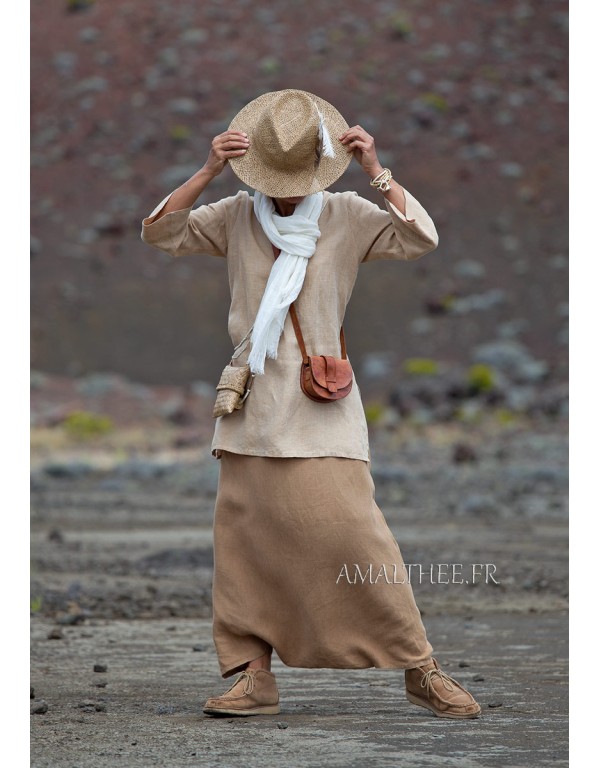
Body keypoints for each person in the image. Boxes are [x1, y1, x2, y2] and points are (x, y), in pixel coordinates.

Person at [141, 89, 481, 720]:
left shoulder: (348, 213)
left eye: (297, 179)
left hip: (322, 406)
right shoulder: (237, 214)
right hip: (249, 409)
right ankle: (252, 677)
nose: (286, 192)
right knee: (245, 546)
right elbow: (161, 231)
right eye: (277, 179)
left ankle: (420, 667)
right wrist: (208, 170)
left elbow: (421, 237)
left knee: (358, 536)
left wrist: (376, 169)